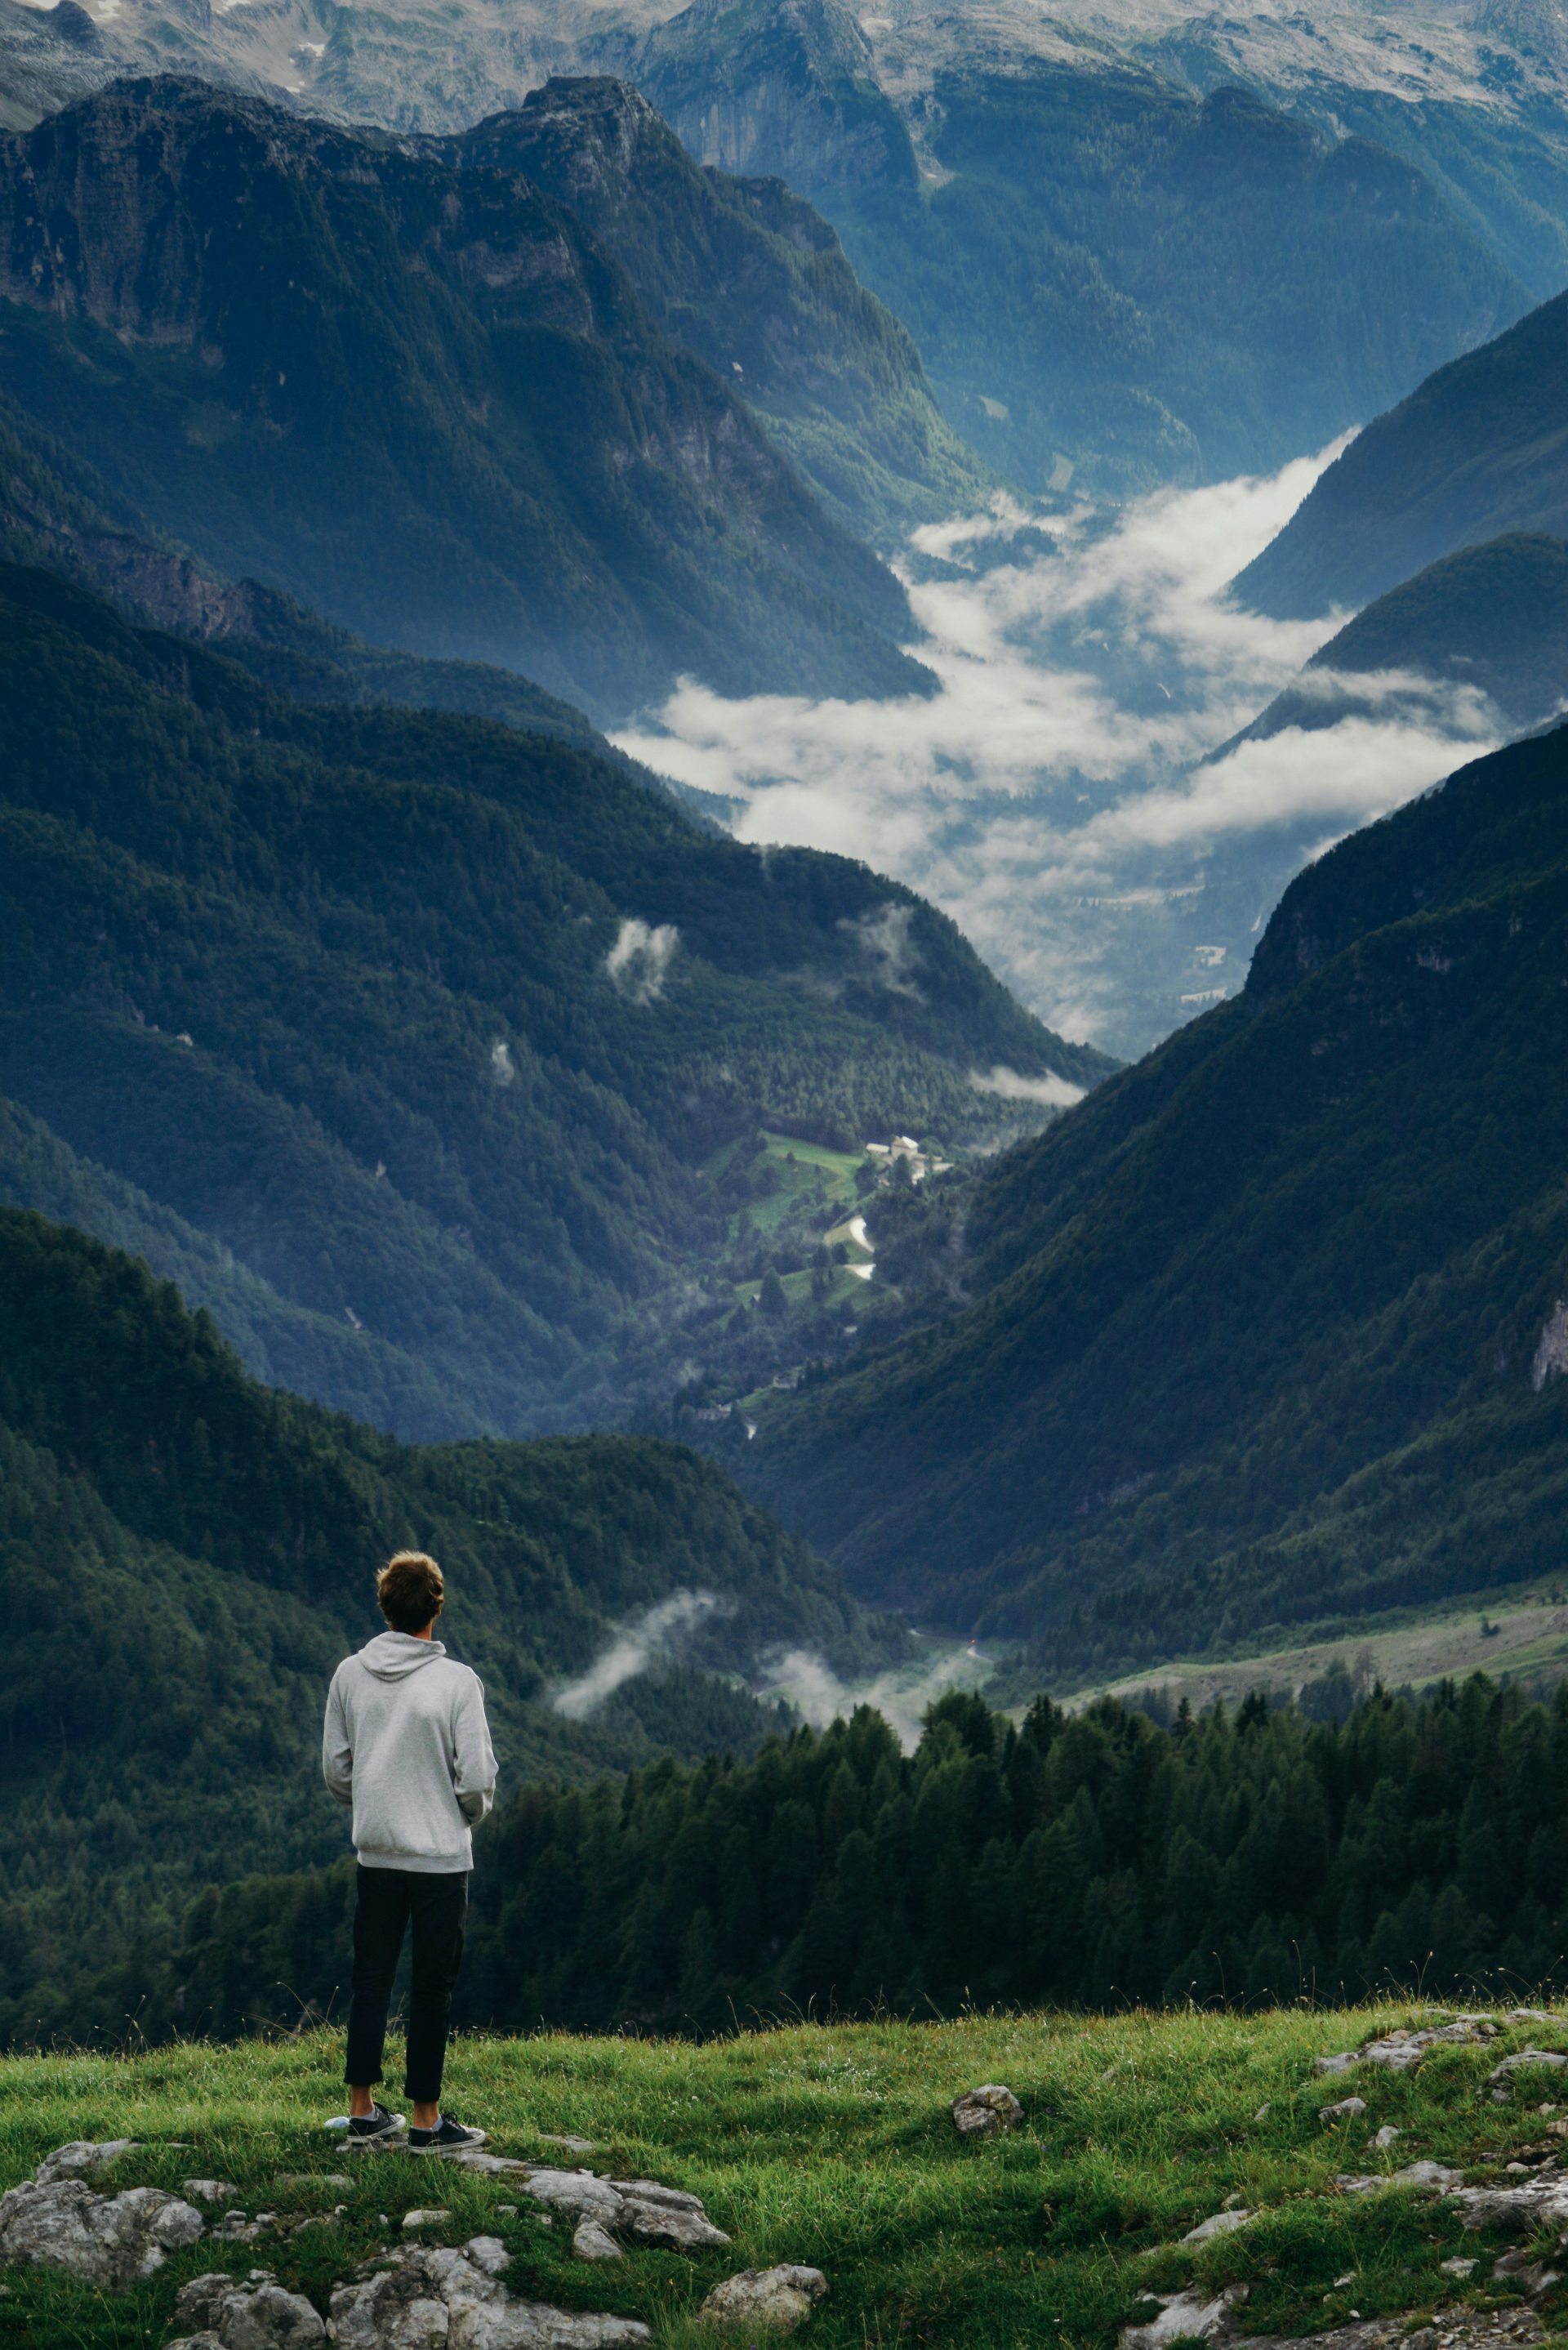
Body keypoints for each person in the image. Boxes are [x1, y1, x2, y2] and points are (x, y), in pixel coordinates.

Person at [322, 1549, 497, 2149]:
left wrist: (376, 1802)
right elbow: (477, 1779)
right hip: (439, 1859)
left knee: (370, 1978)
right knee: (431, 1985)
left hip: (376, 1852)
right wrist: (460, 1816)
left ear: (385, 1607)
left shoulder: (349, 1675)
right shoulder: (458, 1682)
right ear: (436, 1609)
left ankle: (362, 2111)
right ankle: (427, 2121)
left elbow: (336, 1770)